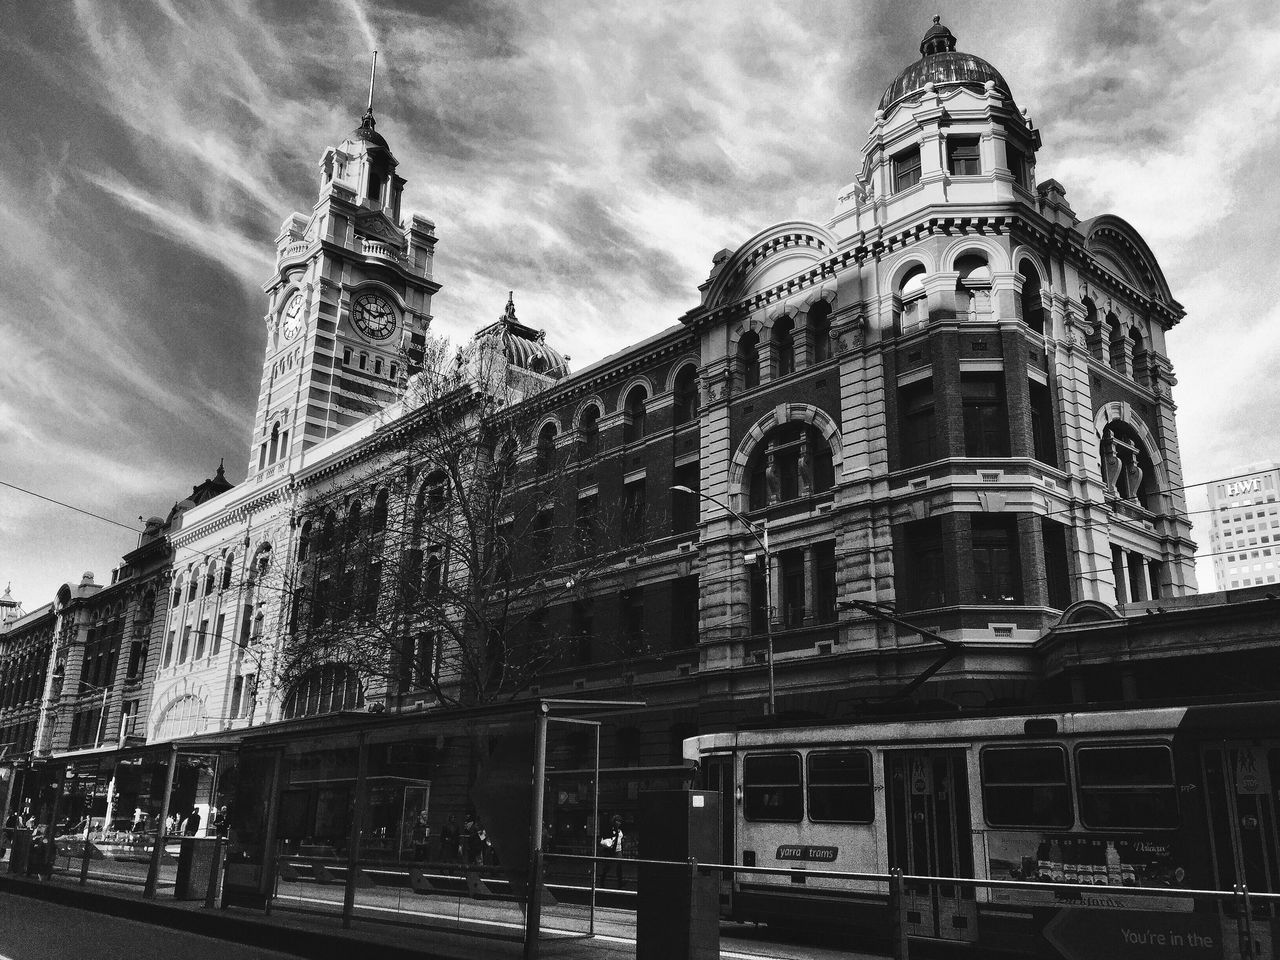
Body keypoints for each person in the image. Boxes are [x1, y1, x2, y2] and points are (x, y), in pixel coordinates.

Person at [597, 815, 624, 886]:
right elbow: (607, 838)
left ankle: (620, 882)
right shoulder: (611, 830)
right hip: (611, 851)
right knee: (607, 867)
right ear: (614, 821)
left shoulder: (620, 830)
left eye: (620, 821)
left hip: (618, 851)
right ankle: (602, 880)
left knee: (619, 866)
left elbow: (620, 839)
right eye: (617, 821)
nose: (619, 823)